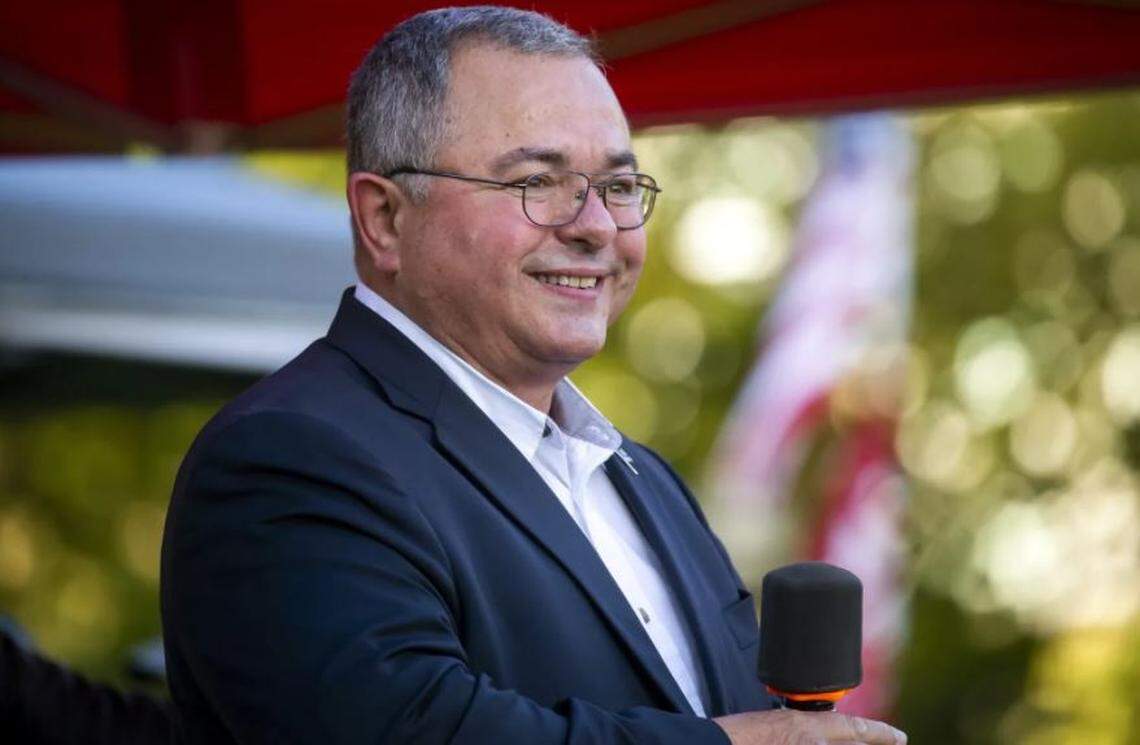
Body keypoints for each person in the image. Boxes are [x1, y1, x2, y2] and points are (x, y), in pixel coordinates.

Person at [161, 6, 907, 744]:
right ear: (384, 218)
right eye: (538, 182)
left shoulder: (643, 479)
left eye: (617, 186)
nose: (595, 225)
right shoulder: (289, 457)